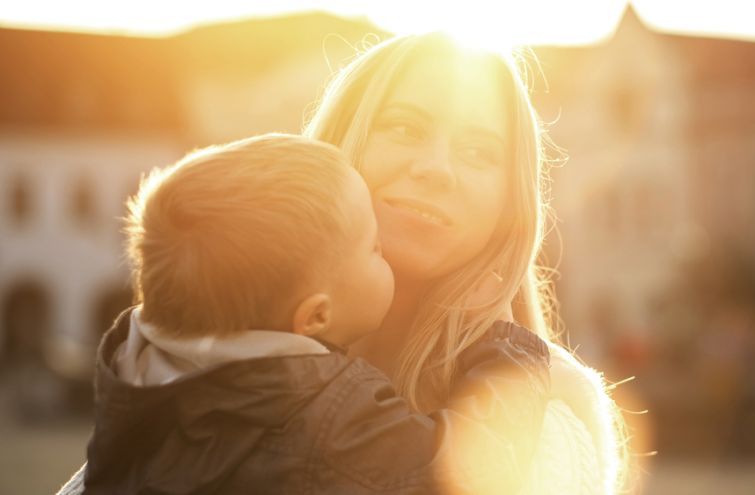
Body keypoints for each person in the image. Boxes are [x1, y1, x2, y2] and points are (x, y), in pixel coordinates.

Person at [69, 133, 550, 494]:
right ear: (314, 318)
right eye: (375, 247)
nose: (387, 251)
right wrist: (506, 348)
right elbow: (476, 471)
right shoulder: (328, 422)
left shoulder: (130, 389)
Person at [304, 32, 625, 493]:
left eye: (478, 152)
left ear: (508, 207)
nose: (436, 168)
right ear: (338, 140)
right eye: (405, 127)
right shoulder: (207, 359)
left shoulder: (545, 417)